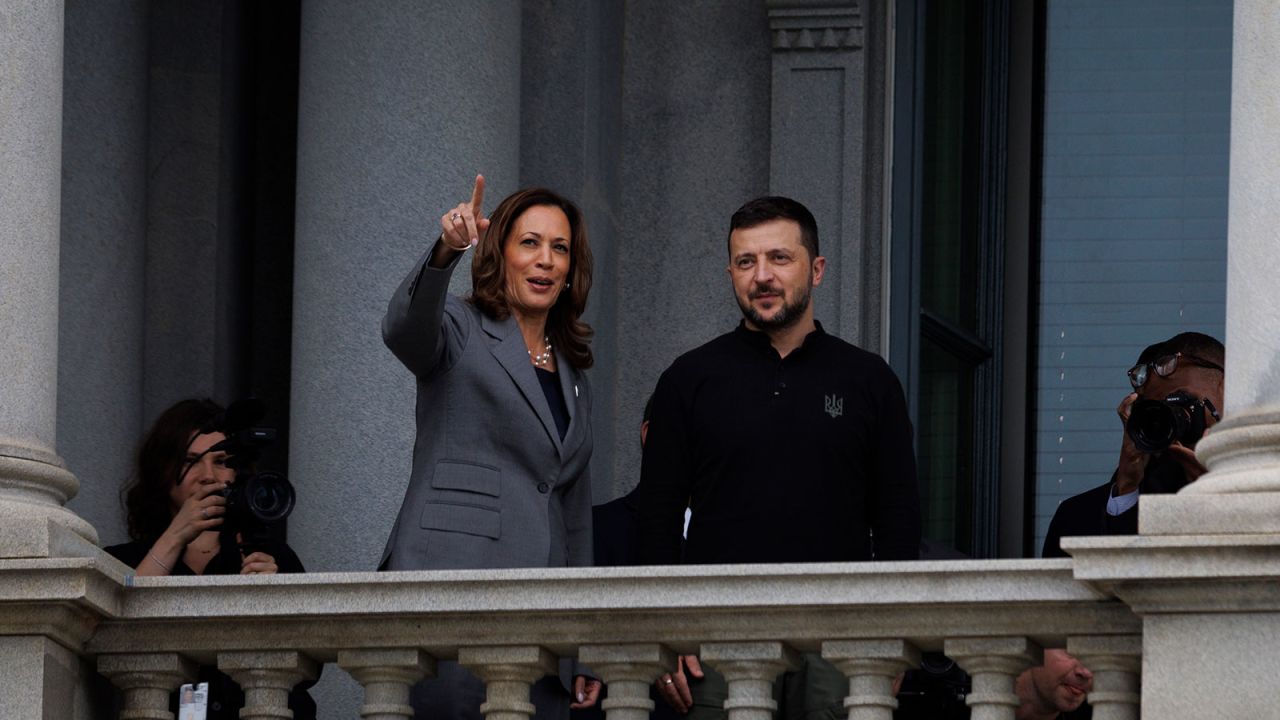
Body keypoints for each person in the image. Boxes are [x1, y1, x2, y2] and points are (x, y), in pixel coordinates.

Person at [634, 195, 921, 719]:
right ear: (730, 273)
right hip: (716, 635)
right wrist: (664, 632)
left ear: (816, 269)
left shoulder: (870, 380)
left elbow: (898, 518)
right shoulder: (688, 380)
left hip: (840, 638)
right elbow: (657, 516)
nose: (761, 275)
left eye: (779, 259)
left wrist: (894, 633)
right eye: (746, 262)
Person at [381, 176, 599, 719]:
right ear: (500, 252)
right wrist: (446, 251)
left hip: (539, 615)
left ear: (572, 268)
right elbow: (404, 330)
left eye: (559, 247)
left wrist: (582, 649)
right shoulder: (460, 327)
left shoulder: (575, 375)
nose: (546, 260)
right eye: (530, 243)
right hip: (452, 593)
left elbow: (573, 517)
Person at [105, 398, 313, 720]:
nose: (208, 476)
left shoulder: (272, 556)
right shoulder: (123, 560)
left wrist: (275, 599)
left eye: (221, 461)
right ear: (162, 469)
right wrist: (174, 537)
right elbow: (116, 639)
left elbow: (310, 668)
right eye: (191, 461)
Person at [1042, 332, 1224, 557]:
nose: (1176, 417)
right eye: (1161, 408)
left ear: (1225, 390)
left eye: (1184, 400)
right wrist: (1127, 487)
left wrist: (1215, 497)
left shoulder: (1264, 483)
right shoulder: (1076, 518)